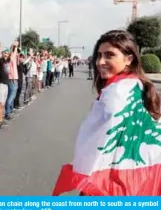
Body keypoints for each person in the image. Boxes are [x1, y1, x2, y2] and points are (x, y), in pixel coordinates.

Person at [52, 30, 161, 196]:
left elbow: (97, 148)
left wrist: (87, 188)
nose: (100, 62)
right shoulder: (137, 85)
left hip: (113, 185)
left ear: (128, 59)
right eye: (99, 55)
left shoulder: (117, 92)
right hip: (140, 181)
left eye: (109, 55)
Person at [4, 41, 19, 120]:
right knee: (11, 97)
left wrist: (13, 46)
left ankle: (10, 111)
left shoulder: (8, 60)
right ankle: (7, 113)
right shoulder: (10, 60)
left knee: (10, 96)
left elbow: (12, 52)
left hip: (10, 79)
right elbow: (13, 53)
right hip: (12, 80)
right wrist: (15, 46)